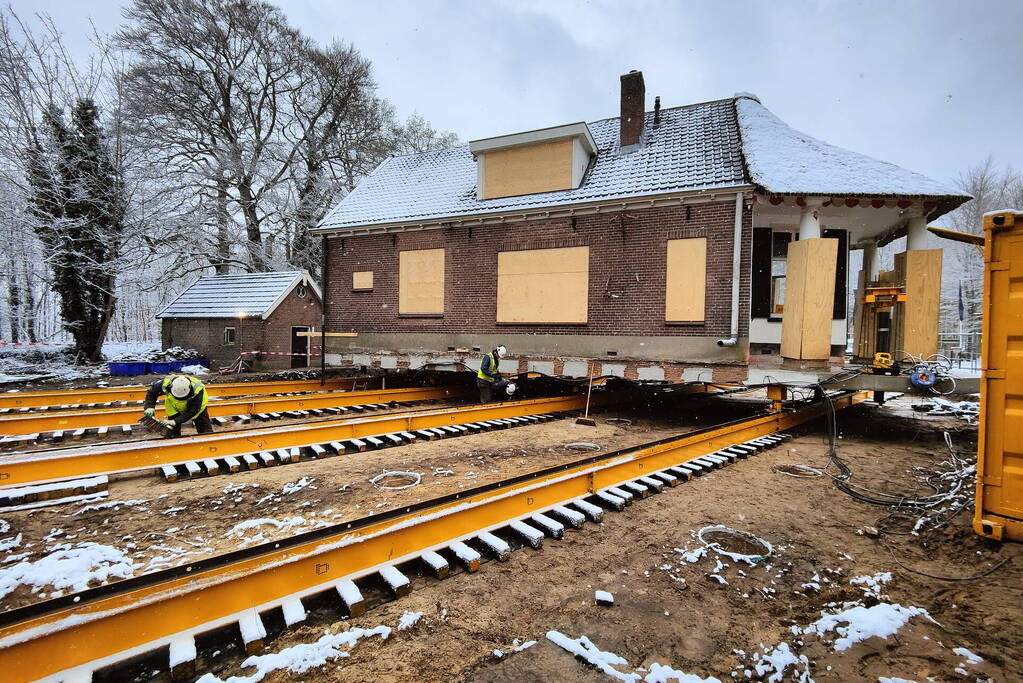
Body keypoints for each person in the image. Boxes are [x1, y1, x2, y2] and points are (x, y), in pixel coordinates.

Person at [143, 374, 213, 437]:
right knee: (172, 432)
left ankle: (208, 443)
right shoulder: (166, 383)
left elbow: (192, 411)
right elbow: (152, 392)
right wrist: (149, 407)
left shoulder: (198, 389)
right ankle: (174, 442)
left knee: (205, 430)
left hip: (197, 409)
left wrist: (175, 421)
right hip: (174, 406)